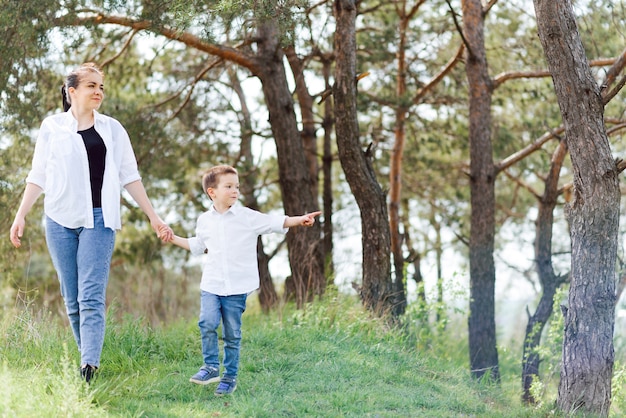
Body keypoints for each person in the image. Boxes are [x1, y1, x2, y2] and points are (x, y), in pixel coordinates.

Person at [9, 62, 173, 383]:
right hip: (58, 220)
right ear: (72, 92)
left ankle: (89, 369)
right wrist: (21, 214)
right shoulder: (52, 127)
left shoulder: (112, 129)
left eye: (101, 87)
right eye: (91, 86)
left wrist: (154, 217)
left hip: (99, 219)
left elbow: (130, 176)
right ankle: (87, 358)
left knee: (91, 295)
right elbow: (38, 175)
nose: (98, 92)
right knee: (72, 299)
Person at [165, 164, 320, 396]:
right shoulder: (204, 220)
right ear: (212, 192)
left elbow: (275, 221)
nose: (235, 191)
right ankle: (210, 367)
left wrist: (300, 220)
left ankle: (229, 377)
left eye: (236, 186)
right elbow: (197, 246)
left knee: (231, 333)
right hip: (212, 284)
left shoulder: (247, 217)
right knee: (206, 323)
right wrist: (172, 237)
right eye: (228, 186)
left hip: (237, 287)